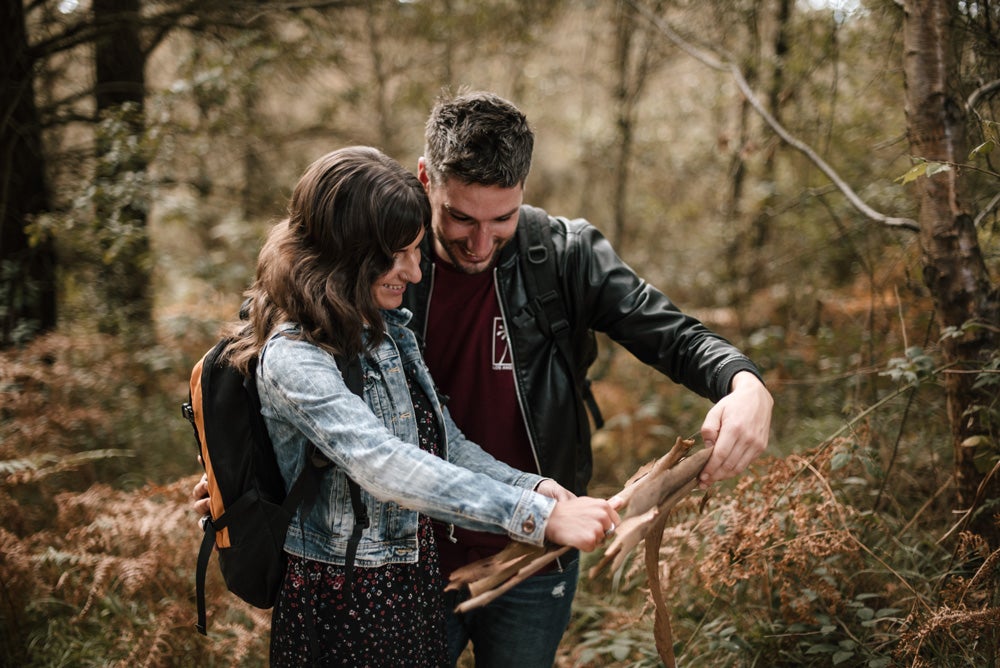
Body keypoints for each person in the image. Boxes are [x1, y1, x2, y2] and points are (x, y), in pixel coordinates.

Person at [399, 90, 775, 667]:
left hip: (537, 549)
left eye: (502, 219)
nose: (480, 244)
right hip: (410, 553)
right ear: (426, 178)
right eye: (460, 218)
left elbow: (672, 334)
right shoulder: (386, 258)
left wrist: (744, 382)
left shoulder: (563, 254)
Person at [214, 145, 620, 666]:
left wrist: (532, 486)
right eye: (397, 254)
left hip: (412, 594)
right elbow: (384, 464)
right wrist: (536, 518)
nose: (415, 272)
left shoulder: (383, 332)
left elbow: (443, 442)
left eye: (416, 250)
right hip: (345, 612)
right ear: (346, 251)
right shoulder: (294, 358)